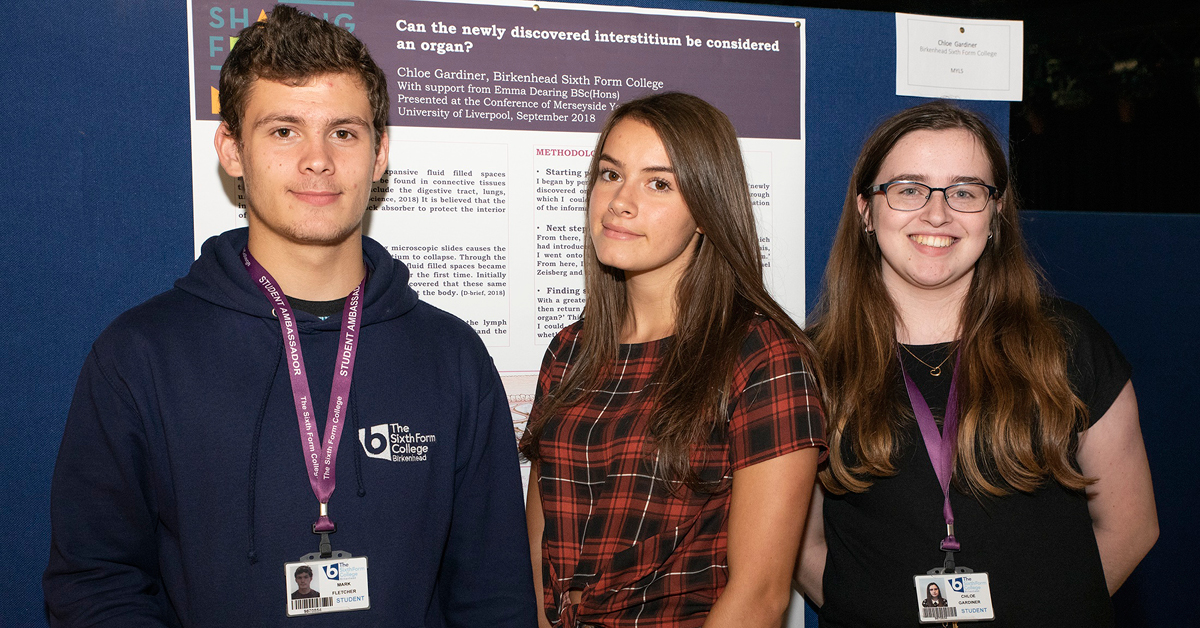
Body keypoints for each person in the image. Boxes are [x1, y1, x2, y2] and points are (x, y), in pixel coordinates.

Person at [42, 6, 534, 627]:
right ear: (232, 150)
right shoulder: (140, 356)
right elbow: (95, 584)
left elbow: (494, 594)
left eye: (344, 132)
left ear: (379, 153)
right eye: (283, 131)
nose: (318, 160)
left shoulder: (452, 356)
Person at [796, 101, 1158, 627]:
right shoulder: (807, 366)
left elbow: (1131, 527)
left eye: (965, 192)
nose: (937, 213)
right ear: (866, 210)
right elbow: (800, 544)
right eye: (908, 189)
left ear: (996, 214)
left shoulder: (1068, 344)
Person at [519, 92, 827, 628]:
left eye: (659, 183)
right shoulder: (570, 351)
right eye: (611, 174)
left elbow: (760, 596)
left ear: (708, 210)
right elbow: (540, 558)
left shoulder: (763, 358)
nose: (620, 201)